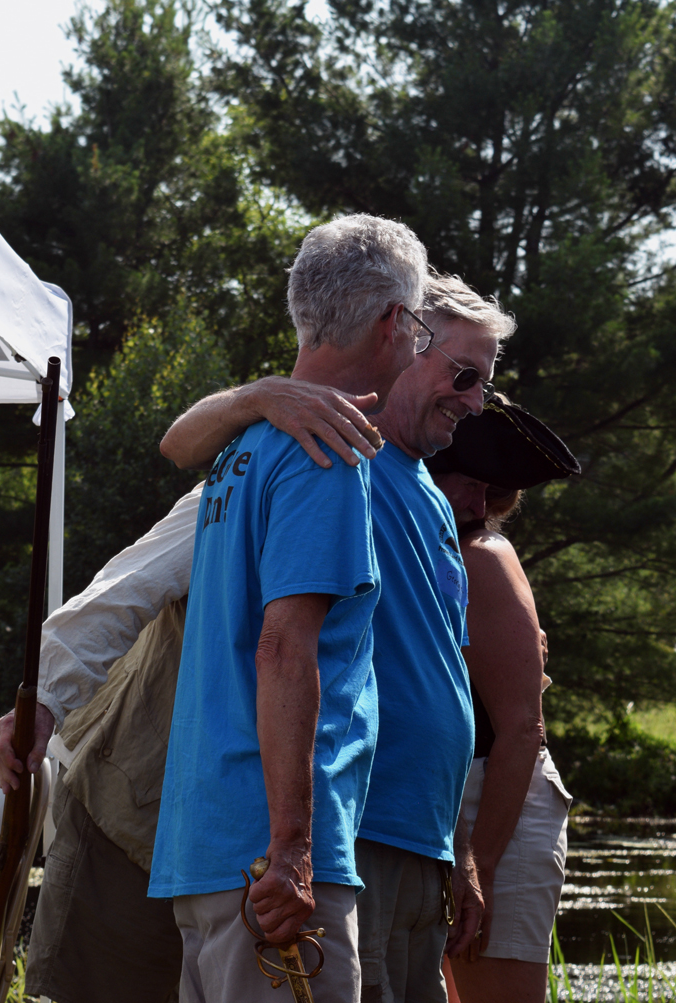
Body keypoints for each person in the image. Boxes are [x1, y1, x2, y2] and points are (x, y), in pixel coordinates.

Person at [0, 213, 429, 1003]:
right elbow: (284, 648)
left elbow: (178, 451)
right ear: (393, 323)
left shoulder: (245, 448)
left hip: (200, 851)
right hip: (264, 856)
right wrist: (294, 849)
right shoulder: (325, 452)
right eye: (422, 327)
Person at [160, 270, 516, 1002]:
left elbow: (440, 679)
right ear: (408, 336)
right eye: (466, 373)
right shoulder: (338, 442)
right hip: (355, 829)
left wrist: (462, 853)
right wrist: (258, 393)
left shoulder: (433, 498)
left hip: (420, 839)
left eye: (484, 381)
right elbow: (178, 442)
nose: (477, 400)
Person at [425, 396, 580, 1003]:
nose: (476, 503)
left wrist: (480, 865)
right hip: (441, 806)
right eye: (465, 481)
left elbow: (522, 730)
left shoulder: (482, 557)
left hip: (497, 807)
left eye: (488, 489)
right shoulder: (420, 551)